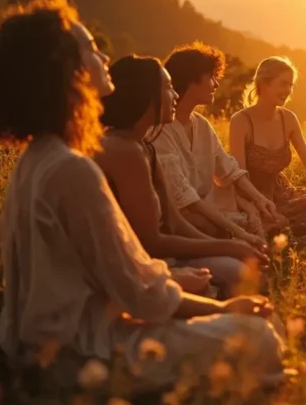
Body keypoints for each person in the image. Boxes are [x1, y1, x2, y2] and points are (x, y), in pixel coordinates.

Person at [0, 0, 284, 390]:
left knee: (246, 317)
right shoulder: (73, 169)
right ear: (65, 72)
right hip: (80, 354)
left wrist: (183, 284)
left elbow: (112, 274)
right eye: (90, 49)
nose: (104, 58)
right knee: (258, 333)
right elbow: (140, 291)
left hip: (45, 341)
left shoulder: (40, 157)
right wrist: (221, 306)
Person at [95, 55, 269, 299]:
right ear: (146, 96)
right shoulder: (123, 149)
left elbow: (174, 222)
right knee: (236, 272)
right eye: (167, 88)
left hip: (166, 254)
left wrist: (232, 245)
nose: (175, 94)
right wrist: (230, 245)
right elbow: (152, 241)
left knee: (241, 270)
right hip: (136, 264)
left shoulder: (146, 147)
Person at [152, 43, 277, 239]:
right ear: (190, 80)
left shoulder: (201, 125)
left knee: (271, 220)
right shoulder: (160, 131)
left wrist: (260, 200)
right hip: (173, 219)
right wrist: (239, 232)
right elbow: (187, 200)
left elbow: (228, 170)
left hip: (204, 212)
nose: (216, 84)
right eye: (211, 77)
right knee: (217, 229)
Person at [228, 56, 306, 234]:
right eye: (283, 84)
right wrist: (258, 202)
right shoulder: (241, 121)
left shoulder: (288, 119)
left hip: (282, 194)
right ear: (264, 83)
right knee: (267, 220)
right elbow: (239, 175)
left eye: (291, 85)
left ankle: (281, 226)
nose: (288, 90)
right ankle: (275, 226)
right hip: (250, 198)